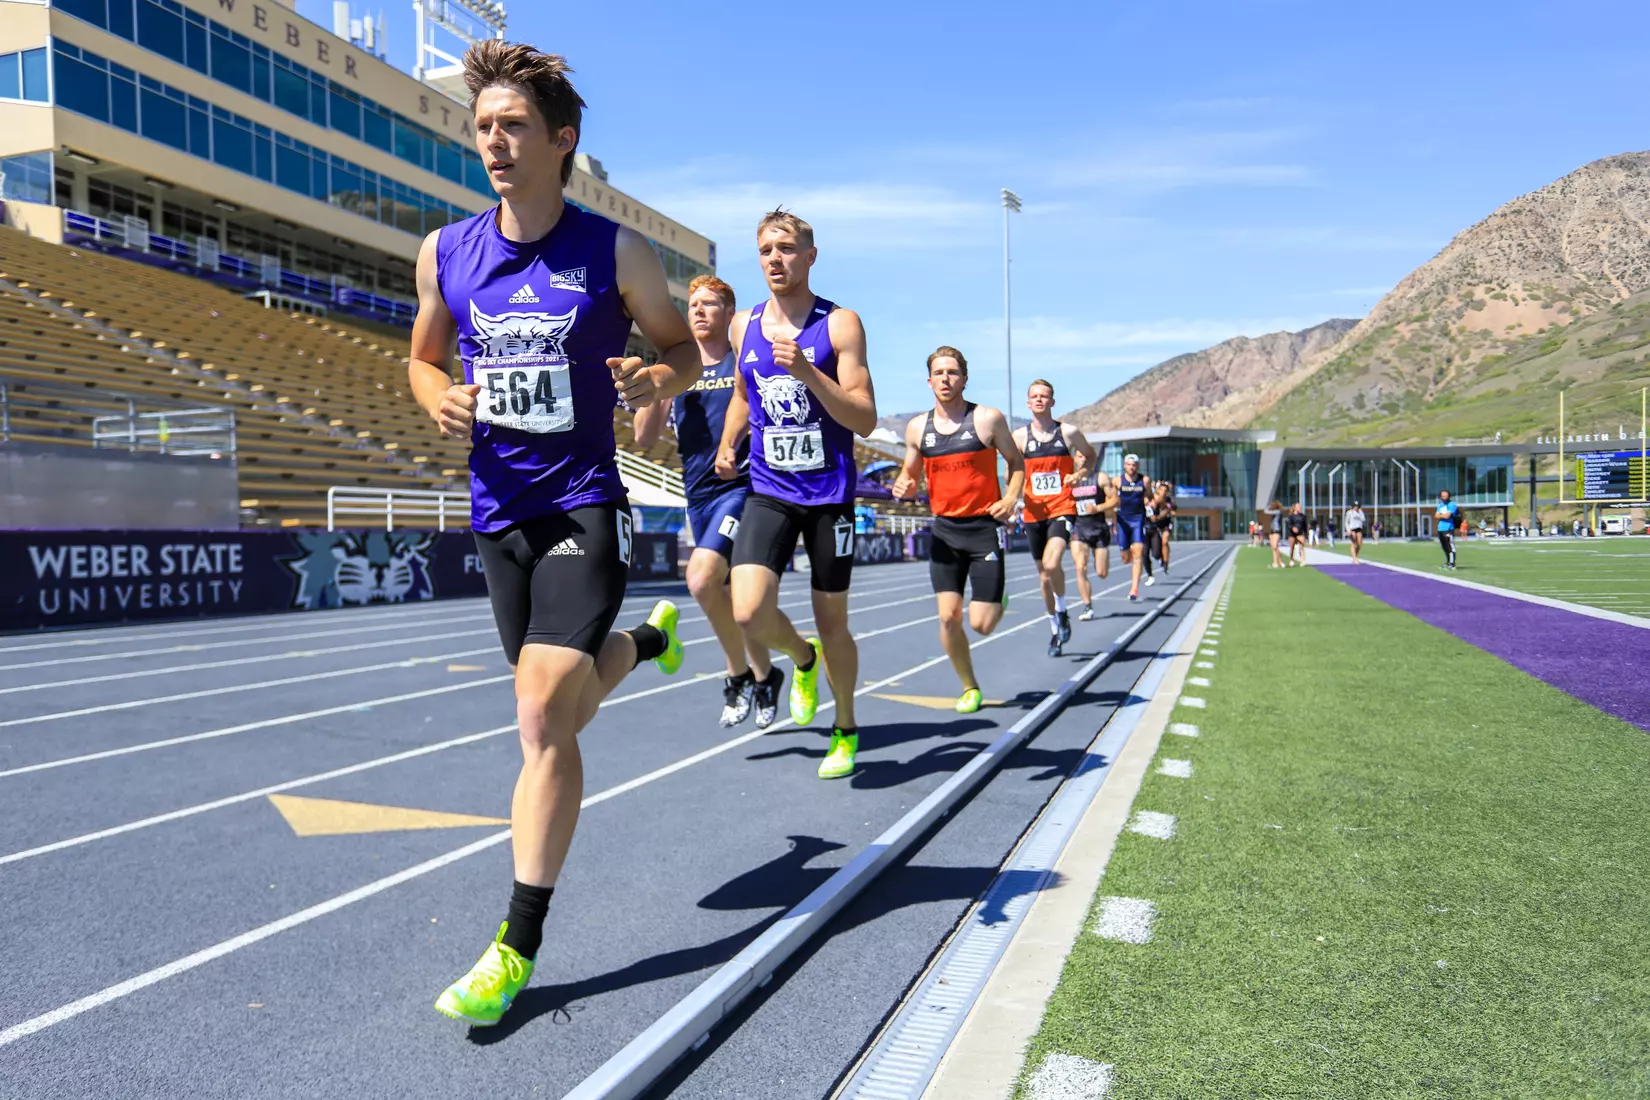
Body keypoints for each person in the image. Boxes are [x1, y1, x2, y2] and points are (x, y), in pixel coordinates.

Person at [408, 41, 705, 1026]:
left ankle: (515, 945)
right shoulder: (446, 251)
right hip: (498, 510)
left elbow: (681, 348)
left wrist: (654, 382)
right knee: (560, 712)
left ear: (561, 139)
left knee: (540, 716)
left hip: (583, 500)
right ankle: (647, 642)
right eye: (483, 125)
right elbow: (420, 358)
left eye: (513, 126)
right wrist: (438, 393)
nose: (493, 140)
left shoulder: (613, 251)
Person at [717, 208, 878, 781]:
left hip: (829, 495)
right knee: (747, 608)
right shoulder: (743, 325)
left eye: (786, 248)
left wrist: (810, 372)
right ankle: (801, 660)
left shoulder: (840, 325)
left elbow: (864, 417)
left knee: (832, 621)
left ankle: (846, 726)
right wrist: (729, 438)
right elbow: (744, 390)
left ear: (810, 256)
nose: (775, 259)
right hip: (769, 488)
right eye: (765, 250)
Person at [633, 274, 778, 728]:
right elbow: (643, 437)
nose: (697, 310)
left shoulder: (742, 360)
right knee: (734, 598)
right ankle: (764, 675)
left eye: (709, 304)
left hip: (740, 488)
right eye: (692, 303)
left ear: (728, 313)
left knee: (699, 580)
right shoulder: (679, 366)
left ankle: (737, 675)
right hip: (696, 493)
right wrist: (658, 388)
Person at [892, 346, 1024, 712]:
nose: (945, 379)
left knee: (981, 624)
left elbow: (1016, 464)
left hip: (984, 528)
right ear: (929, 380)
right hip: (945, 531)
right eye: (939, 372)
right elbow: (910, 472)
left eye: (952, 372)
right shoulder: (918, 427)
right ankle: (969, 687)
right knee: (948, 617)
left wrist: (1011, 498)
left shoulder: (987, 419)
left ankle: (996, 599)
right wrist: (904, 483)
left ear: (964, 378)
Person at [1013, 380, 1096, 655]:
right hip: (1033, 511)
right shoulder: (1019, 438)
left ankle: (1061, 610)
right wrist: (1011, 495)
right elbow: (1011, 471)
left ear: (1052, 402)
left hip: (1062, 507)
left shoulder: (1068, 433)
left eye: (1044, 396)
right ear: (1028, 402)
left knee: (1052, 563)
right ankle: (1054, 626)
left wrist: (1079, 474)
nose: (1039, 400)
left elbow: (1090, 456)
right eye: (1034, 396)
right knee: (1044, 577)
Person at [1069, 466, 1118, 620]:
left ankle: (1103, 561)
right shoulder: (1070, 479)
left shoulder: (1100, 478)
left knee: (1101, 573)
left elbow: (1115, 499)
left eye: (1085, 456)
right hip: (1079, 528)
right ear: (1075, 459)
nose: (1082, 460)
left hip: (1098, 528)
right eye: (1079, 456)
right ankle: (1087, 606)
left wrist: (1098, 508)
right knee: (1080, 567)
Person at [1113, 453, 1154, 599]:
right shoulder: (1117, 481)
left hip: (1138, 519)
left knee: (1139, 553)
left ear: (1138, 466)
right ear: (1125, 465)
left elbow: (1149, 496)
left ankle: (1134, 589)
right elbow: (1112, 500)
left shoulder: (1144, 480)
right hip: (1123, 520)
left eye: (1134, 465)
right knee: (1125, 557)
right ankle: (1127, 551)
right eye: (1129, 465)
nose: (1132, 467)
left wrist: (1150, 502)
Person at [1147, 482, 1175, 576]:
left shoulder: (1168, 500)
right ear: (1158, 490)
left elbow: (1172, 511)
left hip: (1166, 523)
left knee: (1165, 540)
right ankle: (1160, 557)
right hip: (1156, 525)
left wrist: (1167, 511)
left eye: (1165, 491)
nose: (1163, 492)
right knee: (1157, 549)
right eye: (1161, 490)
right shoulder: (1152, 499)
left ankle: (1165, 563)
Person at [1436, 489, 1461, 569]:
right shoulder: (1440, 505)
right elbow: (1436, 515)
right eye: (1442, 496)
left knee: (1450, 545)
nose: (1443, 497)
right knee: (1444, 546)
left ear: (1449, 496)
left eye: (1445, 496)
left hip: (1448, 528)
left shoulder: (1452, 505)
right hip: (1440, 528)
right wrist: (1443, 515)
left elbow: (1447, 516)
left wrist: (1442, 515)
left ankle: (1452, 563)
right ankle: (1448, 562)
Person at [1262, 501, 1284, 567]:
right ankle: (1275, 562)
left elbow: (1266, 511)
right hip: (1272, 530)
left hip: (1277, 530)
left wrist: (1268, 506)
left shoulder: (1278, 511)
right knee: (1273, 548)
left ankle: (1281, 561)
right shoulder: (1274, 513)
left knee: (1275, 546)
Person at [1344, 499, 1367, 564]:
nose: (1356, 507)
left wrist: (1361, 512)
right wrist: (1348, 530)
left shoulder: (1360, 512)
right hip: (1352, 529)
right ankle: (1355, 558)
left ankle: (1355, 556)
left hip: (1359, 528)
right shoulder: (1349, 512)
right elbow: (1346, 521)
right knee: (1353, 543)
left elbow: (1363, 519)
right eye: (1355, 506)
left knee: (1360, 543)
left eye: (1357, 506)